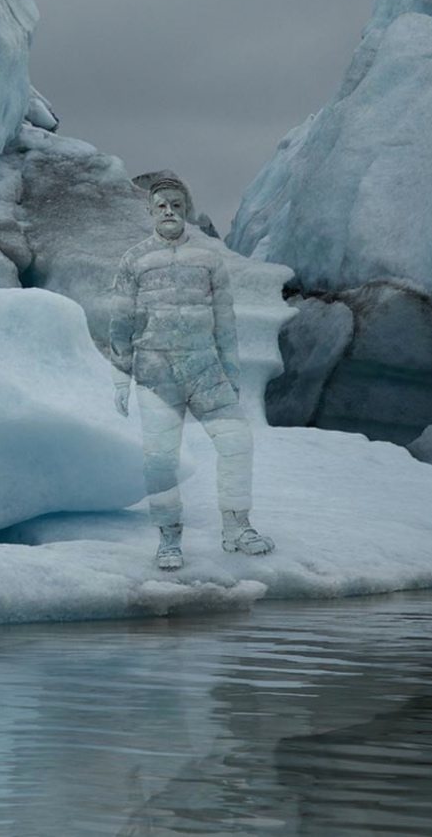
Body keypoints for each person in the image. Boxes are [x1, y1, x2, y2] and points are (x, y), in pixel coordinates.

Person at [109, 174, 275, 570]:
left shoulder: (208, 260)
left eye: (176, 204)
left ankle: (238, 528)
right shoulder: (134, 260)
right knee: (160, 459)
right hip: (155, 372)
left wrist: (232, 373)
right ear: (150, 212)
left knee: (237, 443)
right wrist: (121, 376)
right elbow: (121, 321)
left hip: (205, 369)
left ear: (186, 209)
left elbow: (224, 322)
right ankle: (169, 539)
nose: (169, 210)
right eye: (161, 205)